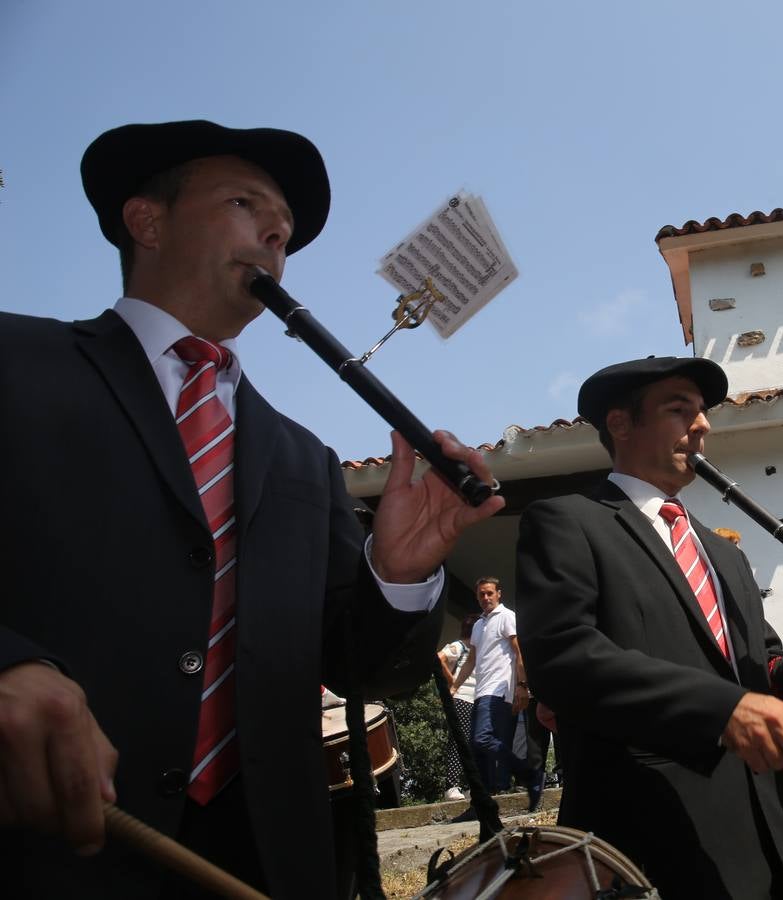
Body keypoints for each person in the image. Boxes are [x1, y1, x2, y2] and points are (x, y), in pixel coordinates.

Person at [0, 120, 503, 898]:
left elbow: (361, 664)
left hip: (268, 860)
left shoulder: (303, 455)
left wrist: (401, 572)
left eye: (286, 231)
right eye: (246, 204)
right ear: (147, 220)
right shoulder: (17, 362)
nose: (276, 234)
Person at [515, 356, 783, 900]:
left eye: (703, 411)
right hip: (655, 843)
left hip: (777, 843)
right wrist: (721, 708)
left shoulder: (723, 554)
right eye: (678, 408)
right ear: (620, 423)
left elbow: (768, 690)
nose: (703, 424)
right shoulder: (567, 521)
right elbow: (565, 660)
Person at [449, 578, 538, 807]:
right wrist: (455, 686)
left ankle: (525, 773)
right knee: (478, 746)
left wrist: (522, 685)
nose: (485, 598)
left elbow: (519, 652)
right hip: (481, 690)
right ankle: (487, 795)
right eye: (481, 595)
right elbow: (471, 659)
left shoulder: (507, 617)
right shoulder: (479, 624)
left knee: (483, 738)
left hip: (499, 689)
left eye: (489, 593)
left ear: (499, 594)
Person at [437, 618, 478, 801]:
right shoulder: (459, 646)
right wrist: (452, 681)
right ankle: (451, 786)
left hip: (474, 699)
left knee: (473, 744)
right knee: (459, 742)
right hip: (461, 698)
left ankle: (469, 785)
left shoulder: (475, 650)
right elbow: (439, 658)